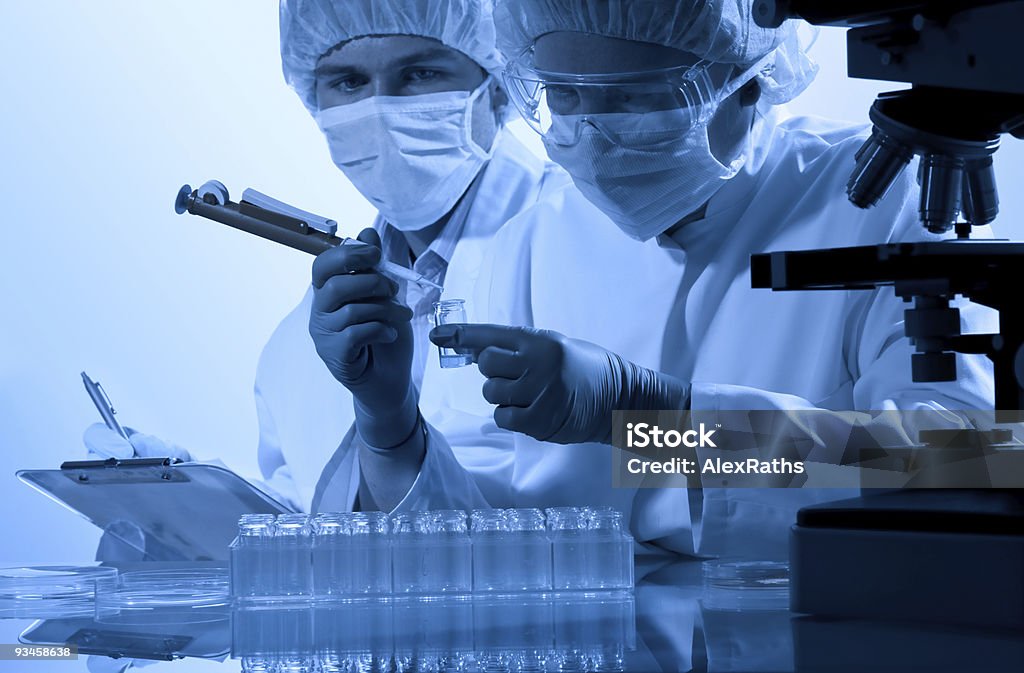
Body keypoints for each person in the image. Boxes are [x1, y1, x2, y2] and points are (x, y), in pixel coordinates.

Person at [422, 0, 996, 557]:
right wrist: (388, 418)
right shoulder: (522, 242)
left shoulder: (889, 197)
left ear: (749, 80)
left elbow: (964, 459)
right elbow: (468, 523)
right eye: (565, 96)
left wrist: (662, 422)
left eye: (637, 97)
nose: (595, 138)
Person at [83, 0, 571, 515]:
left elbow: (665, 459)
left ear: (497, 82)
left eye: (420, 72)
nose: (380, 107)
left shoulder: (605, 244)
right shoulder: (300, 345)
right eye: (348, 82)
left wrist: (626, 426)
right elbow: (326, 523)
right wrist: (187, 497)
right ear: (314, 99)